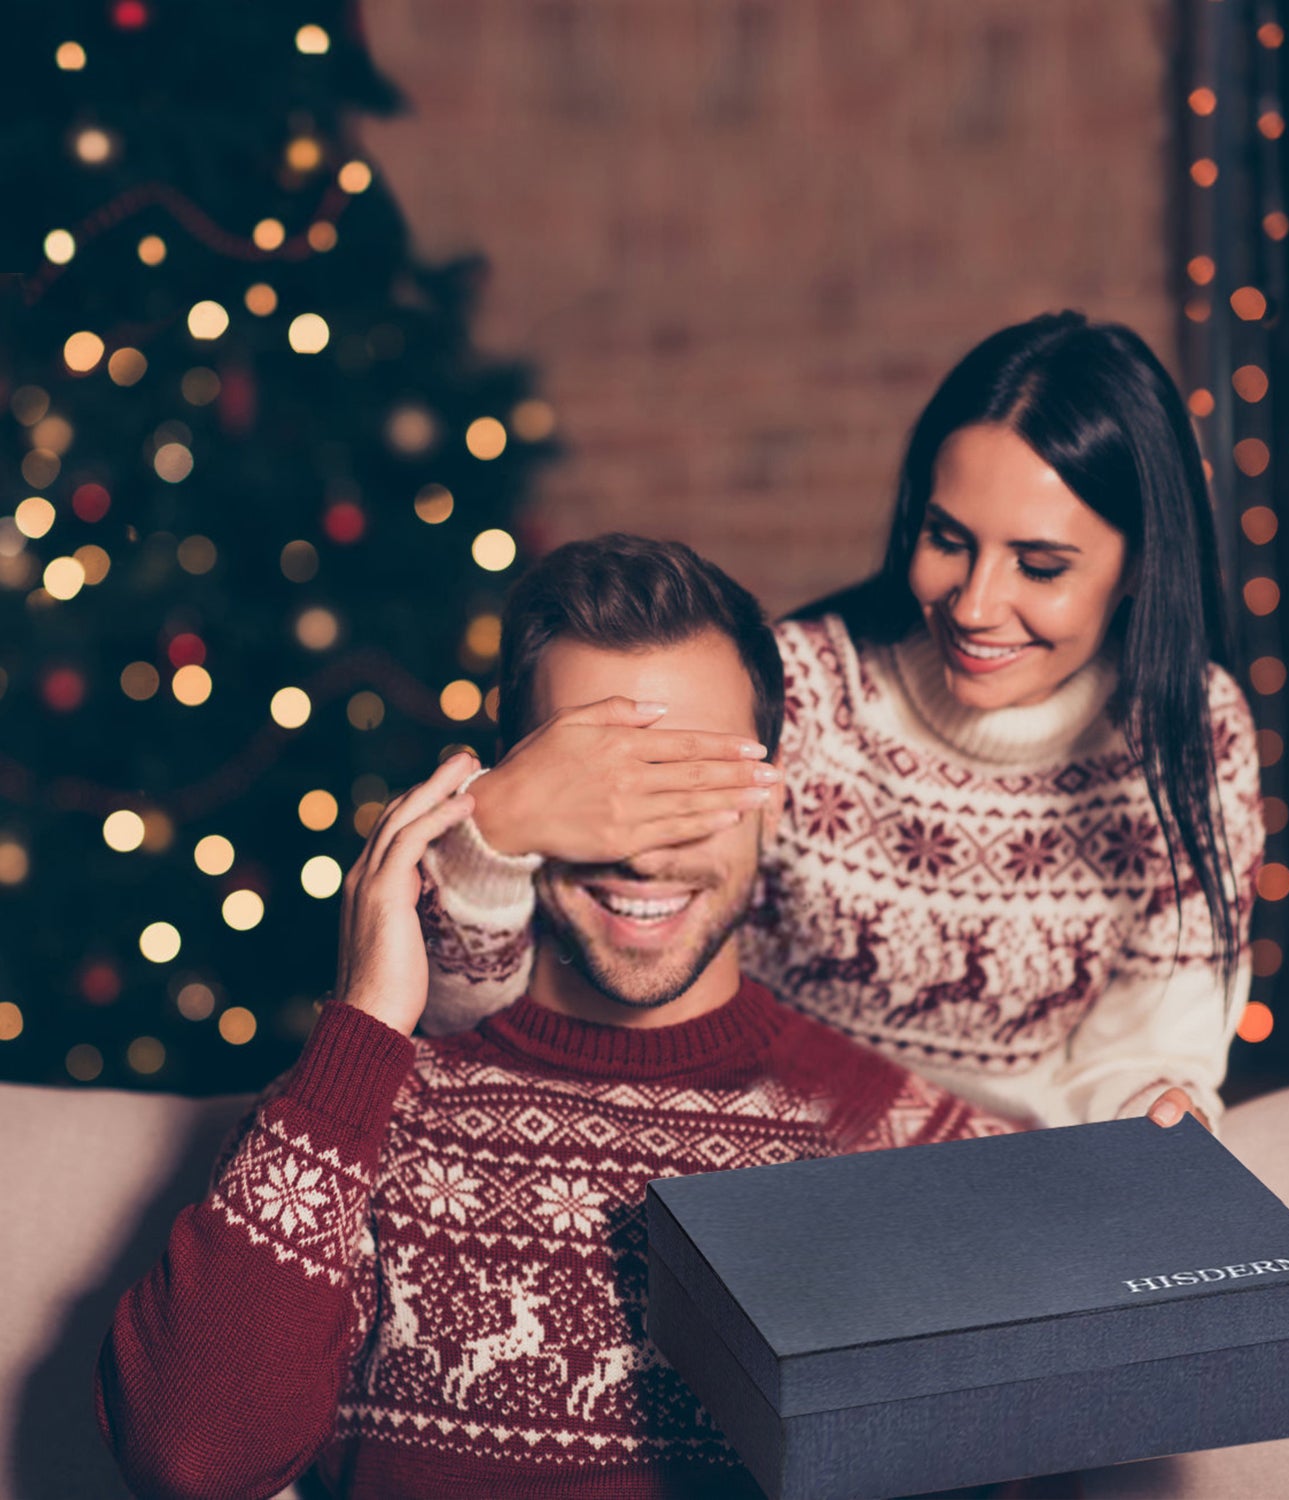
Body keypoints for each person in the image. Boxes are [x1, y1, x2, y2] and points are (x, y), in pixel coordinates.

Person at [94, 538, 1017, 1500]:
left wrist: (1172, 1172)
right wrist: (367, 1016)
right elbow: (189, 1459)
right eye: (597, 793)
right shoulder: (364, 1106)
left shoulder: (894, 1135)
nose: (641, 854)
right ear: (519, 801)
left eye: (688, 788)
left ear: (773, 806)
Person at [419, 311, 1265, 1133]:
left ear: (1141, 567)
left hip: (1026, 1183)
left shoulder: (1197, 733)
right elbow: (517, 995)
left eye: (1039, 566)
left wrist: (1148, 1121)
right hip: (778, 1161)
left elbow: (1152, 1047)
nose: (974, 605)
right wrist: (491, 838)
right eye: (947, 539)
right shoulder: (805, 692)